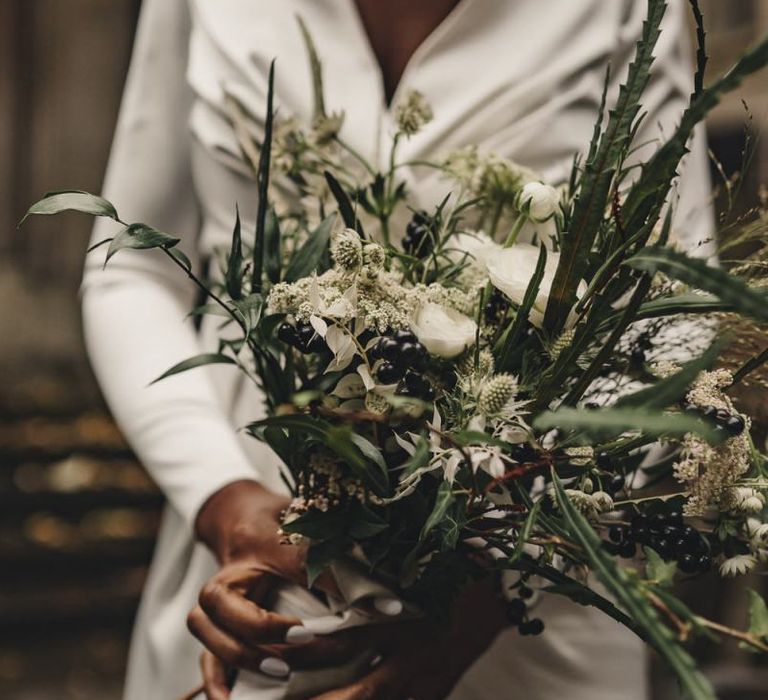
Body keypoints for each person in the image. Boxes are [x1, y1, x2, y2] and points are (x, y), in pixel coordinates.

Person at [82, 1, 714, 698]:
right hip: (250, 573)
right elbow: (135, 271)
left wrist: (504, 574)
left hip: (528, 599)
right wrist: (222, 501)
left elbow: (670, 311)